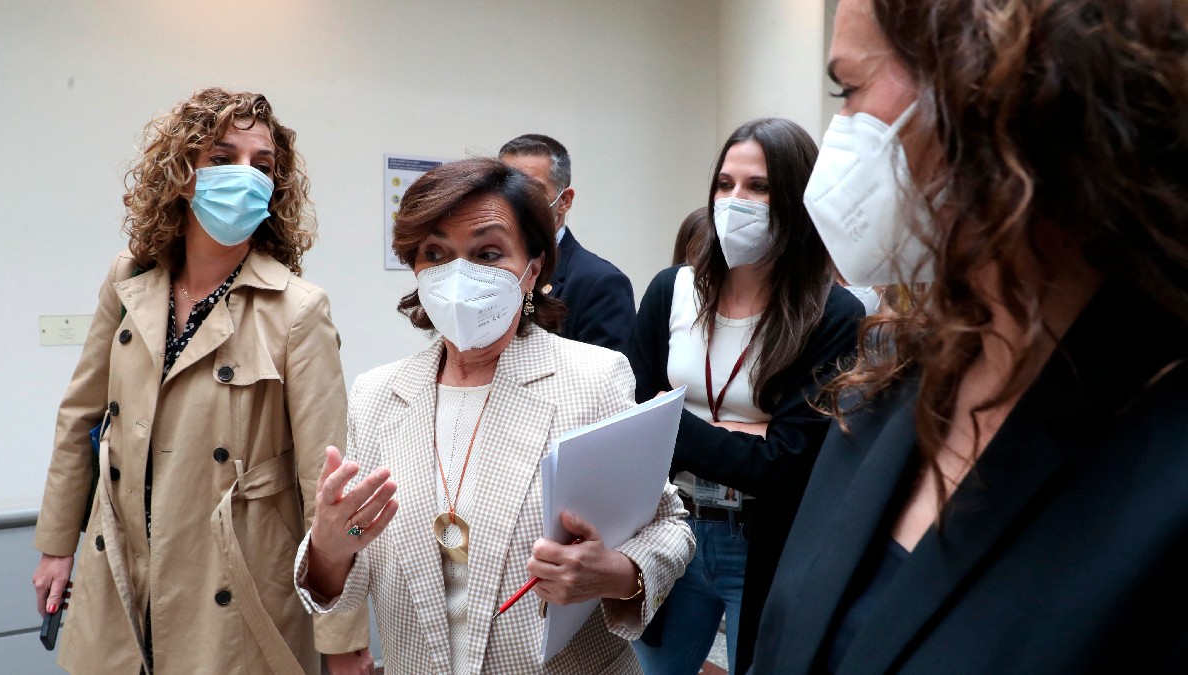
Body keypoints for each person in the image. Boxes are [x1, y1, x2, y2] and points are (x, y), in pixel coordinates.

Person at [751, 1, 1188, 672]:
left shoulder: (1160, 462)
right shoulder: (887, 385)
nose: (837, 131)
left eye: (850, 89)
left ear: (991, 82)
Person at [294, 157, 694, 674]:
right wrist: (328, 548)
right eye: (435, 253)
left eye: (488, 253)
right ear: (415, 266)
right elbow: (344, 581)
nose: (460, 274)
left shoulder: (593, 378)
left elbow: (670, 524)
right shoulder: (378, 395)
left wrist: (615, 572)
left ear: (533, 268)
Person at [30, 88, 347, 674]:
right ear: (181, 174)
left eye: (263, 166)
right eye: (222, 159)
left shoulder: (298, 310)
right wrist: (56, 546)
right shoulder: (129, 280)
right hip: (123, 559)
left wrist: (341, 640)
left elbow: (325, 485)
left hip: (232, 581)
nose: (245, 177)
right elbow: (80, 417)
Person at [628, 118, 865, 675]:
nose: (737, 200)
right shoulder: (672, 290)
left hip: (763, 541)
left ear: (797, 197)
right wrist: (749, 436)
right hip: (670, 528)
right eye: (725, 184)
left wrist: (674, 421)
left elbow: (787, 466)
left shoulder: (832, 314)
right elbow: (629, 421)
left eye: (759, 187)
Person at [499, 134, 636, 352]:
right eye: (505, 187)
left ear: (564, 201)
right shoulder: (484, 267)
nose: (515, 199)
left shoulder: (601, 283)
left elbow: (604, 381)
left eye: (532, 190)